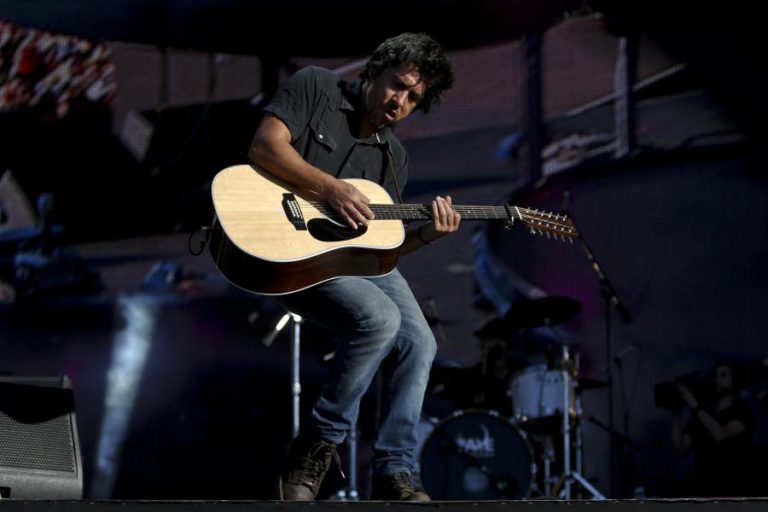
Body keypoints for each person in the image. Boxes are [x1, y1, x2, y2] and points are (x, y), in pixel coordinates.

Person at [248, 33, 457, 501]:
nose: (399, 101)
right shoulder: (316, 87)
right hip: (277, 248)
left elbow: (379, 251)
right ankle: (314, 446)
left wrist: (428, 234)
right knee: (380, 319)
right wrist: (330, 188)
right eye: (397, 86)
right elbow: (264, 146)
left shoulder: (392, 158)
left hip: (342, 259)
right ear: (373, 70)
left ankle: (393, 471)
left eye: (413, 98)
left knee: (419, 340)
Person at [670, 362, 754, 497]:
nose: (717, 380)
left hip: (735, 492)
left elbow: (721, 434)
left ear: (735, 380)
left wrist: (695, 405)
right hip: (706, 492)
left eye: (723, 375)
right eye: (716, 375)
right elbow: (679, 450)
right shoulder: (701, 414)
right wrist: (675, 413)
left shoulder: (741, 412)